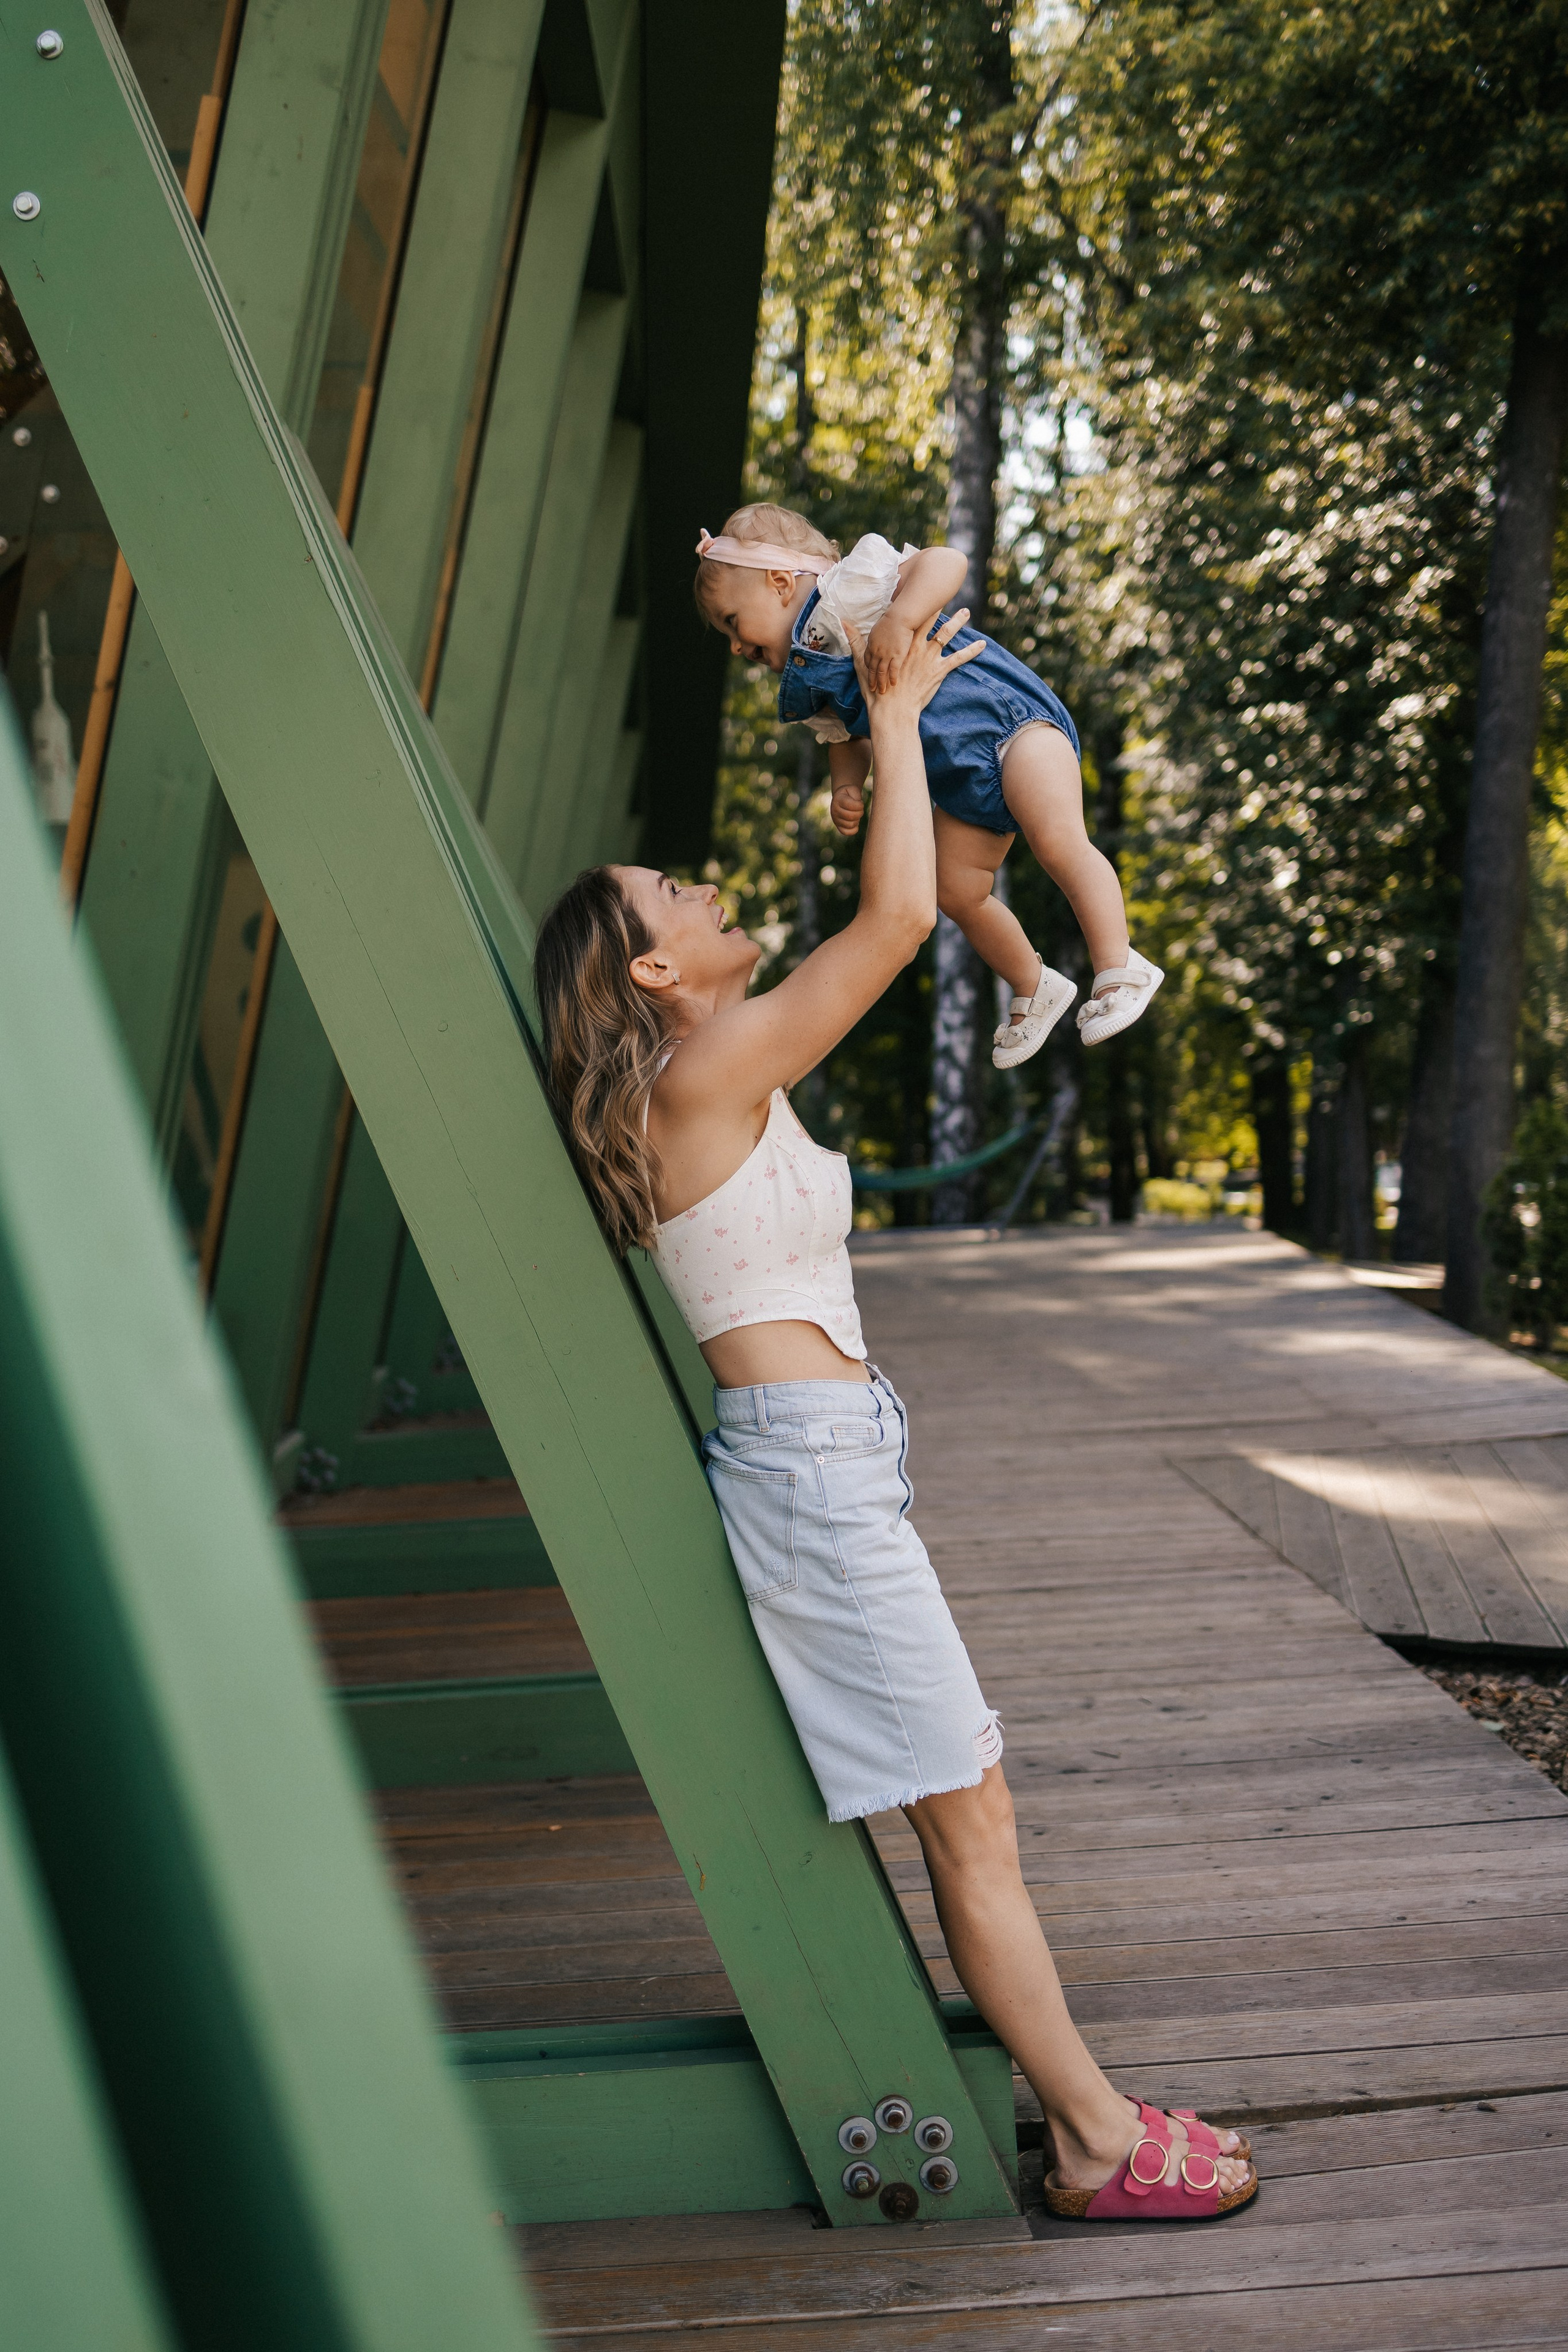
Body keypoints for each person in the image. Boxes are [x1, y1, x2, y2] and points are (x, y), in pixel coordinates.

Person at [533, 610, 1256, 2224]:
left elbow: (910, 873)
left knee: (965, 1800)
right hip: (814, 1483)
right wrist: (907, 702)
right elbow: (905, 910)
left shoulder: (719, 1075)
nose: (705, 889)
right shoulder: (703, 1075)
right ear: (653, 971)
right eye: (676, 897)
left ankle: (1086, 2113)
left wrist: (879, 748)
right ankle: (1089, 2139)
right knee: (973, 1809)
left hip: (834, 1462)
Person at [693, 502, 1163, 1069]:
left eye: (730, 622)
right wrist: (848, 786)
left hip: (1010, 726)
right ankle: (1034, 983)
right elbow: (846, 736)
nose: (735, 647)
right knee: (957, 889)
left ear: (778, 582)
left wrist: (899, 617)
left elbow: (945, 562)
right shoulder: (807, 684)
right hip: (959, 784)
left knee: (1058, 840)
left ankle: (1120, 966)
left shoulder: (853, 589)